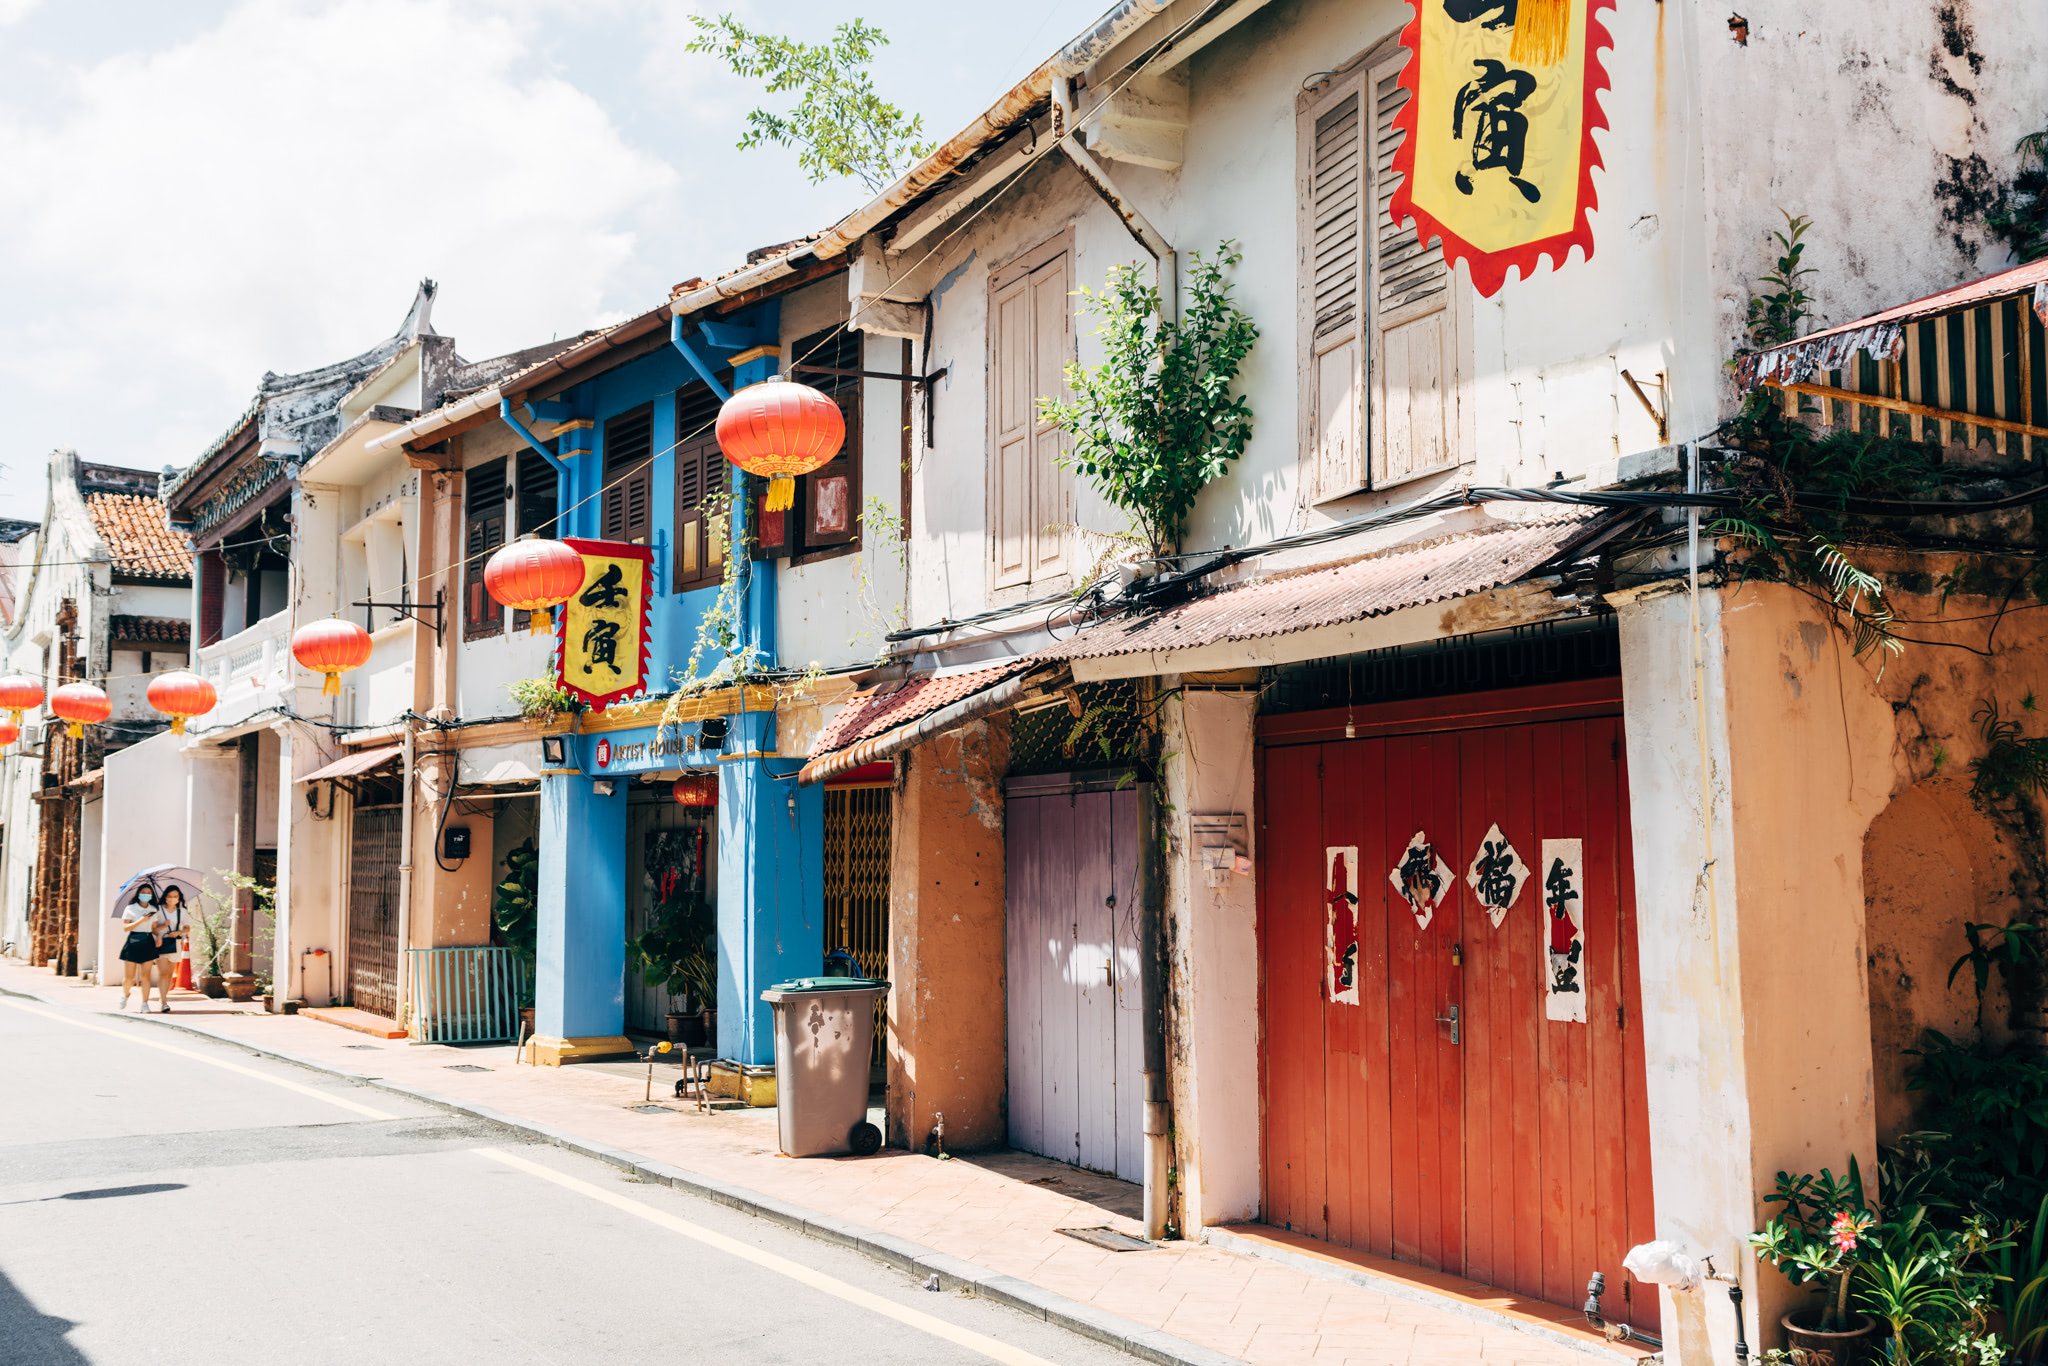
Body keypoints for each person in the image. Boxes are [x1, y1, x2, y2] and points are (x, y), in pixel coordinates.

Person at [117, 887, 163, 1012]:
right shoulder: (130, 908)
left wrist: (158, 935)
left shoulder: (153, 910)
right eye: (143, 893)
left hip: (148, 940)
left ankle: (144, 1003)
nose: (146, 895)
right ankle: (125, 994)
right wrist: (141, 920)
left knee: (146, 976)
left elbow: (153, 927)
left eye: (149, 893)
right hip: (134, 940)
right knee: (129, 977)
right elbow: (126, 927)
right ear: (138, 894)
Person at [150, 885, 187, 1013]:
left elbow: (187, 928)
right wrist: (163, 925)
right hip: (160, 943)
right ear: (165, 897)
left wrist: (178, 932)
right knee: (163, 972)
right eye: (169, 896)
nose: (172, 899)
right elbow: (152, 927)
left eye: (175, 897)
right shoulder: (158, 910)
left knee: (170, 974)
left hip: (175, 944)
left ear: (179, 898)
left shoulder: (182, 911)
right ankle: (164, 1002)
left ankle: (164, 997)